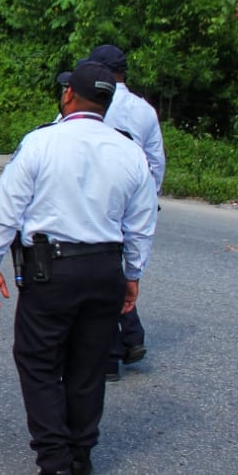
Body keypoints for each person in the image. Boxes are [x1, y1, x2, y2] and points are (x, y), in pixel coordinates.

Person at [0, 60, 157, 475]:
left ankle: (54, 469)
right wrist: (132, 276)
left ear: (68, 96)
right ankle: (80, 456)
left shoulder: (41, 142)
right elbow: (141, 224)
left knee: (38, 362)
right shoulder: (130, 151)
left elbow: (9, 206)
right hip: (105, 270)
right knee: (88, 366)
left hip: (52, 271)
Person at [85, 44, 165, 381]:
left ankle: (112, 352)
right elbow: (155, 161)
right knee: (116, 269)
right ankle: (131, 338)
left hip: (97, 198)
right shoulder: (145, 110)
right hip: (133, 196)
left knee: (97, 272)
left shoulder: (92, 101)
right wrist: (147, 199)